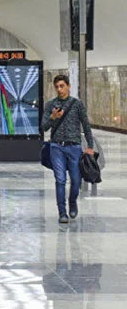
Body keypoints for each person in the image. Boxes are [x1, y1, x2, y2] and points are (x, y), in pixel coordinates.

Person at [41, 74, 95, 224]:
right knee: (60, 179)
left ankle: (72, 201)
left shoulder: (77, 104)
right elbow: (43, 127)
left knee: (76, 180)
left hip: (74, 147)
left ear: (68, 86)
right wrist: (52, 117)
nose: (59, 89)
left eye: (62, 86)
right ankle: (62, 212)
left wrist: (90, 146)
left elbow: (86, 125)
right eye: (57, 87)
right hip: (56, 146)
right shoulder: (50, 105)